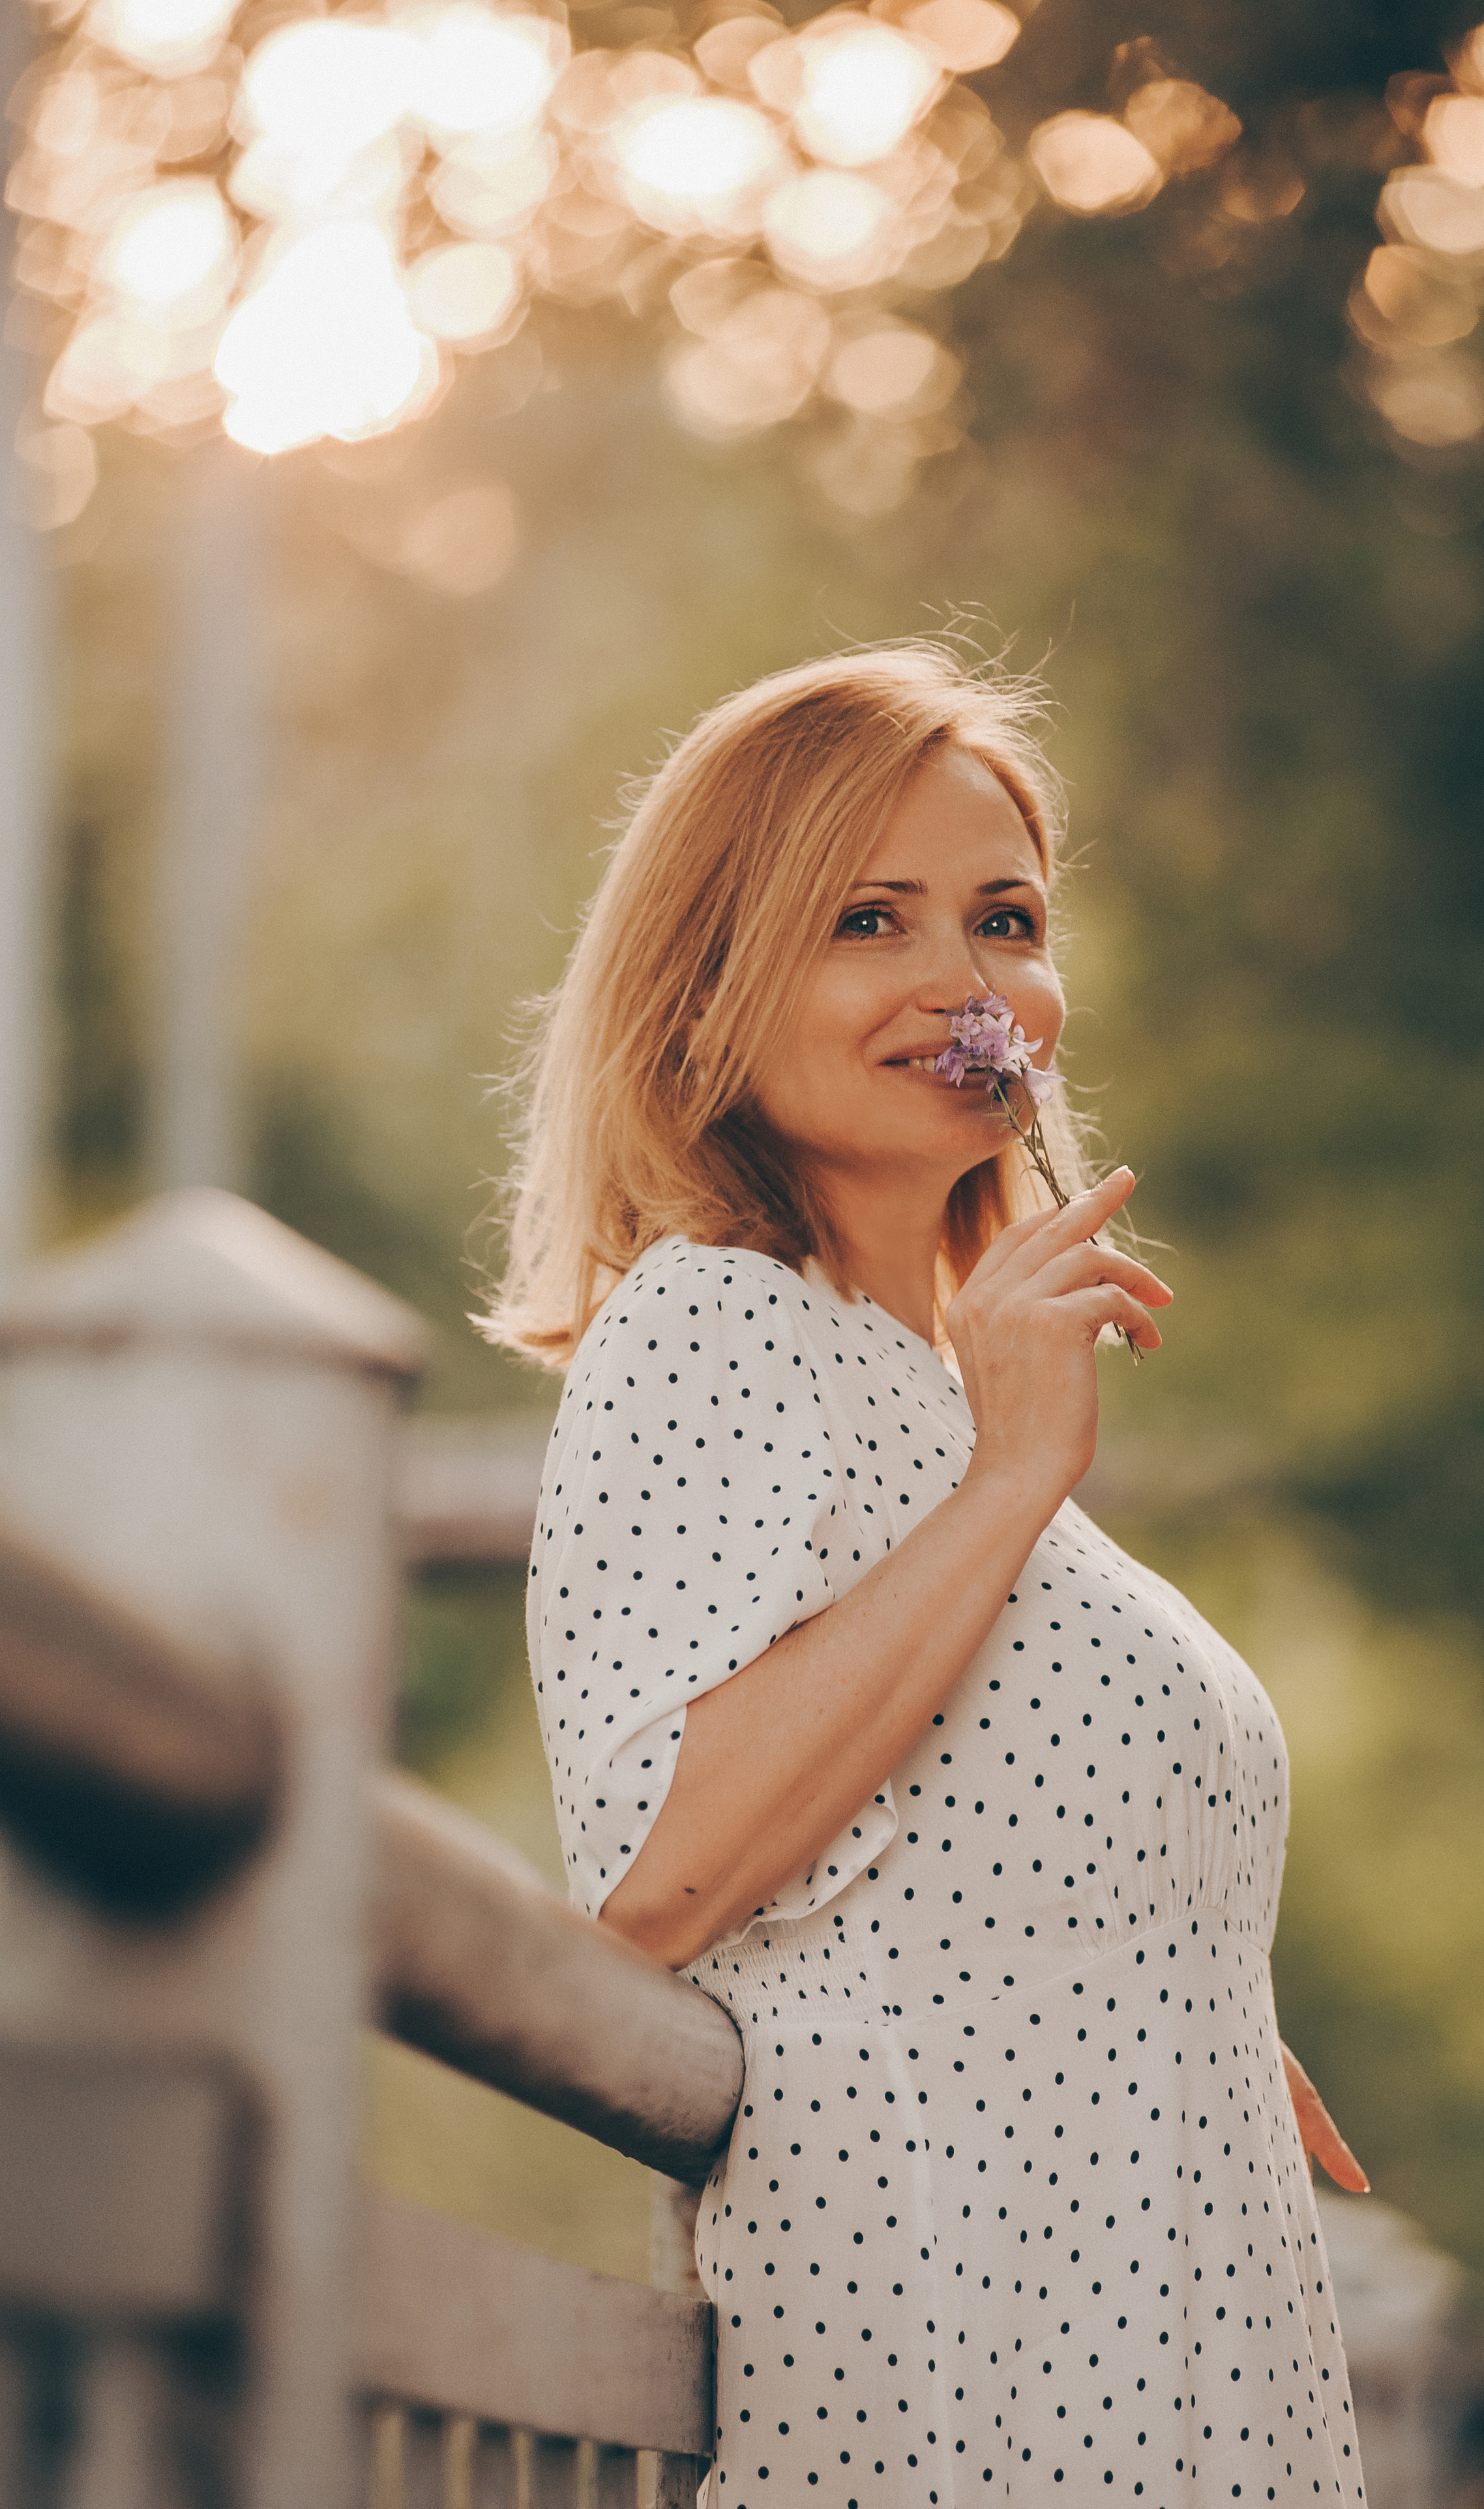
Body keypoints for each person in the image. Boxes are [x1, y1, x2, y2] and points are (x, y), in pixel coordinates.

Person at [487, 644, 1370, 2508]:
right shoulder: (714, 1328)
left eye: (1007, 919)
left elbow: (961, 1829)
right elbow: (658, 1874)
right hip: (963, 2358)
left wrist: (1173, 1996)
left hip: (1162, 2342)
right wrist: (1014, 1471)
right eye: (869, 920)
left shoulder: (926, 1390)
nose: (964, 982)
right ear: (710, 984)